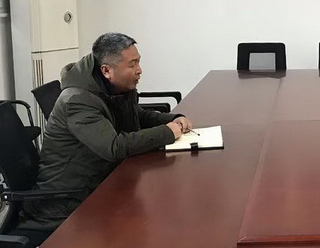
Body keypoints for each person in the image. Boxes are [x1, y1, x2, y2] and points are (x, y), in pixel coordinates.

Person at [22, 32, 192, 230]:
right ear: (106, 70)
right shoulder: (78, 101)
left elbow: (138, 115)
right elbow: (113, 147)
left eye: (138, 62)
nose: (140, 70)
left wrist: (172, 119)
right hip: (67, 202)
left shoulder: (110, 88)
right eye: (132, 65)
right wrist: (168, 133)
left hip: (99, 183)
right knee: (157, 218)